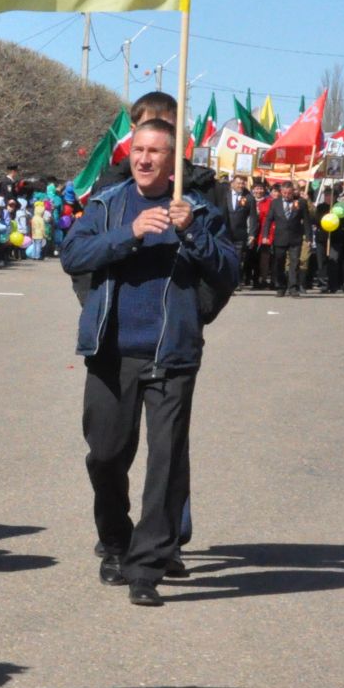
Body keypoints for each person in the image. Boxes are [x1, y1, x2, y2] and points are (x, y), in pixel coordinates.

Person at [60, 117, 238, 608]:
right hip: (110, 353)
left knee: (166, 463)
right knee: (106, 455)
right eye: (137, 149)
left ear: (173, 160)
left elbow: (229, 270)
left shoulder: (197, 209)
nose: (143, 159)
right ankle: (116, 543)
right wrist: (130, 234)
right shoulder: (108, 204)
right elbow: (73, 255)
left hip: (171, 355)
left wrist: (193, 233)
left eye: (155, 152)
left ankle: (148, 566)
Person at [262, 180, 307, 295]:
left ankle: (293, 287)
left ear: (293, 192)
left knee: (294, 263)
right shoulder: (275, 203)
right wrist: (265, 235)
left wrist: (309, 237)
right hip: (280, 238)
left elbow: (306, 221)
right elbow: (268, 220)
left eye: (289, 193)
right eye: (285, 193)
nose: (287, 196)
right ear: (281, 192)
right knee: (279, 263)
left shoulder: (300, 202)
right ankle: (281, 287)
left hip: (295, 238)